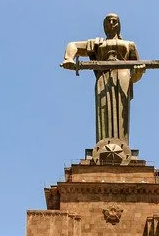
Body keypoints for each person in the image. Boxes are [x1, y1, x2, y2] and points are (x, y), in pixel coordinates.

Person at [61, 13, 145, 144]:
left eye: (114, 21)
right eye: (108, 21)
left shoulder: (129, 44)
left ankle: (121, 144)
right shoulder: (97, 43)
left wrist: (139, 71)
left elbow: (135, 75)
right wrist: (68, 59)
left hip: (123, 75)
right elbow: (73, 45)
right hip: (103, 76)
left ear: (119, 25)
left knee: (122, 108)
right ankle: (103, 144)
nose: (111, 23)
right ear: (104, 26)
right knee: (103, 106)